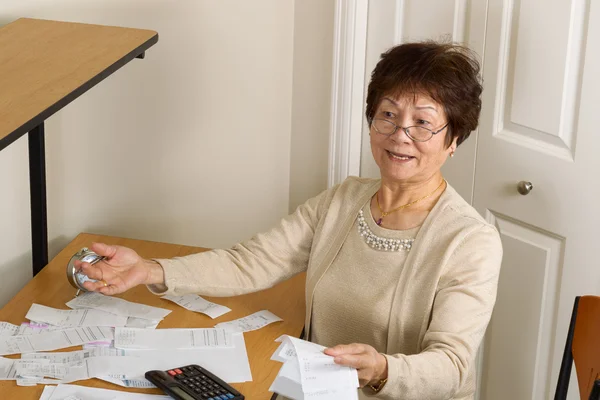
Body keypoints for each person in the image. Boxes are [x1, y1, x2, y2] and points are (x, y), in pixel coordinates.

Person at [76, 41, 502, 400]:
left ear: (454, 139)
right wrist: (150, 269)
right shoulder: (344, 200)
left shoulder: (470, 241)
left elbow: (451, 363)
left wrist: (381, 369)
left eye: (423, 123)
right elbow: (251, 261)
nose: (400, 134)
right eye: (387, 114)